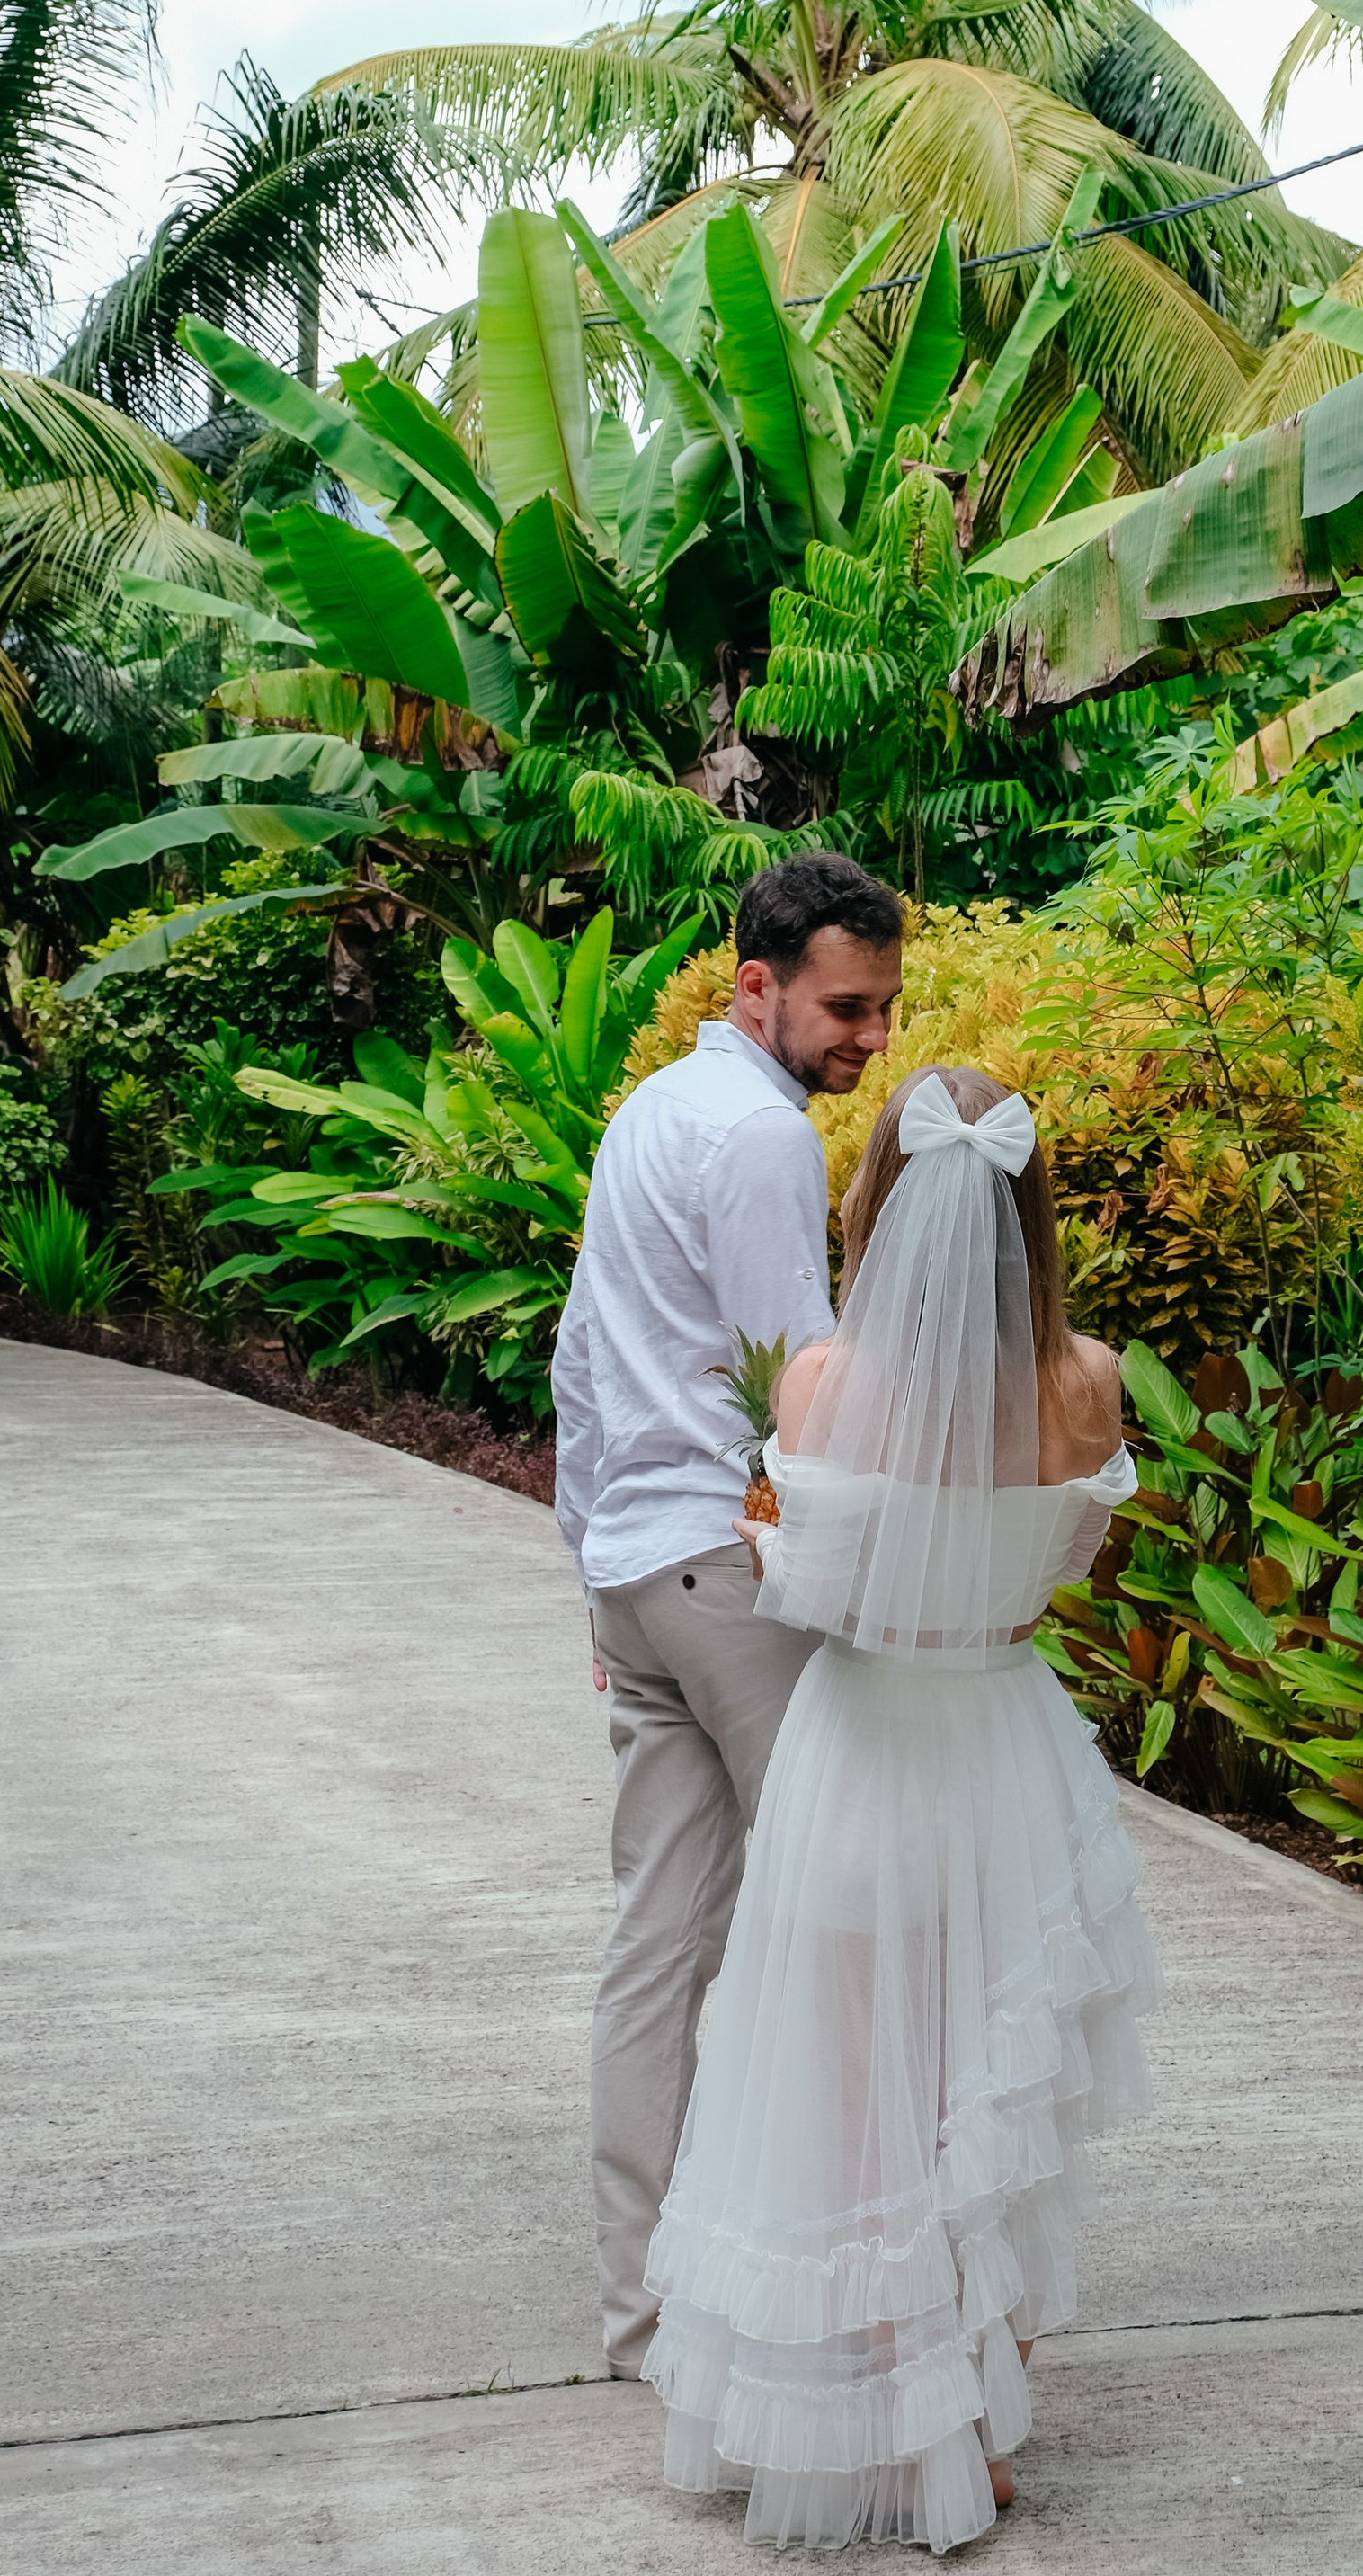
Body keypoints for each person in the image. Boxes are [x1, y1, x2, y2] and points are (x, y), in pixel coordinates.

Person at [640, 1063, 1161, 2554]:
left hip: (864, 1748)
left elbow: (811, 1587)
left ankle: (890, 2405)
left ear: (876, 1196)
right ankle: (977, 2420)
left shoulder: (819, 1383)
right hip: (1004, 1745)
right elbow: (1072, 1573)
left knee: (859, 2092)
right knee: (977, 2094)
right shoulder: (1088, 1382)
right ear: (1032, 1206)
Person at [553, 853, 907, 2382]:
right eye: (844, 1005)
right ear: (753, 984)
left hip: (640, 1575)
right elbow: (805, 1395)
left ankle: (641, 2317)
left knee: (659, 1947)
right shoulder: (762, 1141)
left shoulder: (644, 1114)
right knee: (842, 1935)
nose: (870, 1036)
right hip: (730, 1577)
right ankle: (835, 2301)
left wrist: (592, 1571)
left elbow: (578, 1359)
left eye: (888, 1007)